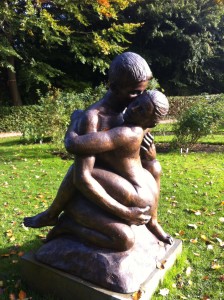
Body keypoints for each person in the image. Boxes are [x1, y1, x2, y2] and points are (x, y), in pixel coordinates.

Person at [24, 51, 153, 228]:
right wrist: (125, 212)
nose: (141, 99)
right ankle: (56, 216)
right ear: (113, 87)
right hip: (115, 189)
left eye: (143, 91)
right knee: (76, 170)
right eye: (134, 92)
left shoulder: (131, 109)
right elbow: (82, 177)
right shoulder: (93, 118)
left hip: (133, 187)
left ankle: (51, 214)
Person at [45, 90, 172, 251]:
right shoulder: (143, 128)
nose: (134, 109)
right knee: (154, 166)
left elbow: (74, 144)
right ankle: (153, 223)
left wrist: (75, 121)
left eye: (142, 110)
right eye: (136, 103)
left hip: (137, 197)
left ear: (150, 122)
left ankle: (56, 216)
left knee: (81, 171)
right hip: (145, 195)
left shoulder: (126, 132)